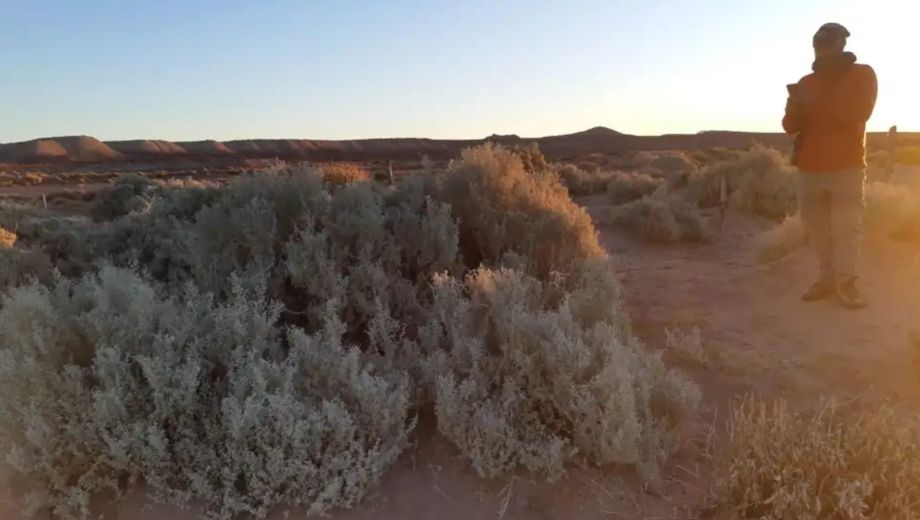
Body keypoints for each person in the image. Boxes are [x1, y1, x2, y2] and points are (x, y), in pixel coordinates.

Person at [783, 23, 877, 309]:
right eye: (818, 44)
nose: (822, 49)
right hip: (809, 167)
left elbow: (861, 112)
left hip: (847, 165)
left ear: (841, 44)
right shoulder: (806, 82)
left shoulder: (862, 74)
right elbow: (789, 126)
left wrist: (815, 105)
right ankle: (826, 279)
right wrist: (797, 106)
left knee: (847, 228)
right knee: (817, 229)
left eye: (828, 43)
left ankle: (846, 282)